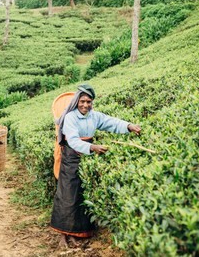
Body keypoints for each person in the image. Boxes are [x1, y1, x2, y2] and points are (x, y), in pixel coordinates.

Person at [51, 83, 141, 248]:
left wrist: (129, 126)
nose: (85, 105)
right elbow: (72, 140)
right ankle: (63, 235)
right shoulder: (70, 117)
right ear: (77, 101)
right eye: (82, 101)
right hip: (71, 157)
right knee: (68, 196)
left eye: (89, 102)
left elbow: (111, 122)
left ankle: (76, 233)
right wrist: (92, 147)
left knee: (81, 196)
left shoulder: (94, 116)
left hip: (87, 156)